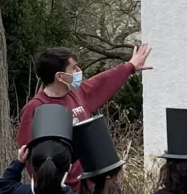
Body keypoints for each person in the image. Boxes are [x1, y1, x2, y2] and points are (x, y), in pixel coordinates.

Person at [13, 43, 154, 157]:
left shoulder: (78, 93)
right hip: (59, 188)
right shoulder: (35, 109)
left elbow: (103, 82)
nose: (79, 71)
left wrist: (130, 67)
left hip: (88, 185)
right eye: (73, 68)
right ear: (60, 77)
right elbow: (27, 153)